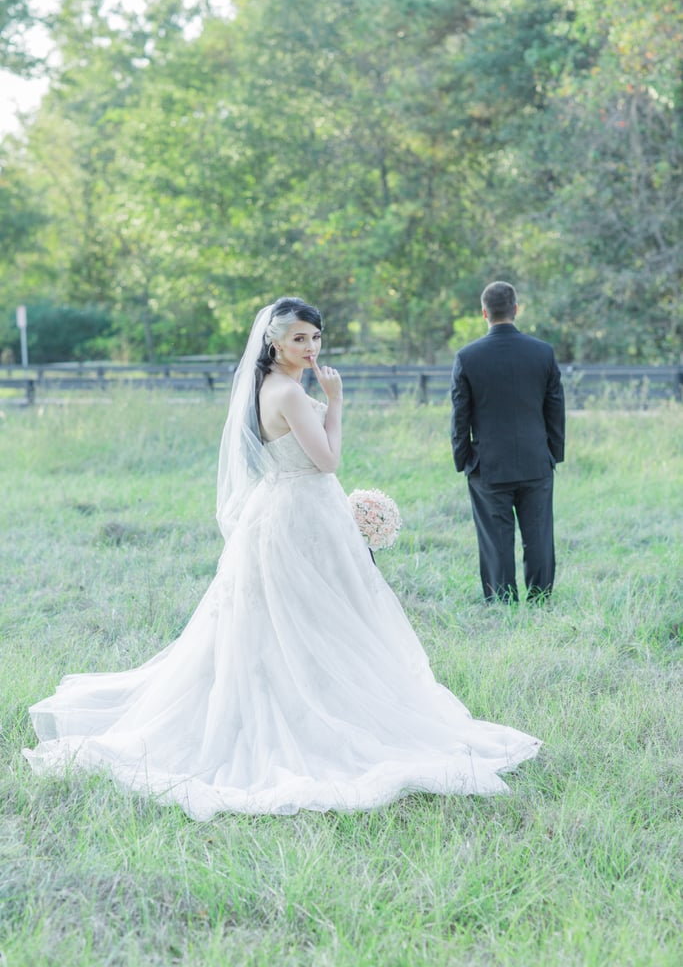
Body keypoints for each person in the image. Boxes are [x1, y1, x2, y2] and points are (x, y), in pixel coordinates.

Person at [24, 297, 541, 819]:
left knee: (291, 624)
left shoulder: (260, 385)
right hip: (302, 514)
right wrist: (335, 401)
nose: (310, 348)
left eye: (315, 338)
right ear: (274, 341)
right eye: (299, 339)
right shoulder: (290, 393)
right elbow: (327, 461)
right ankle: (313, 718)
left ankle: (304, 699)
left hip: (278, 511)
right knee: (314, 620)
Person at [450, 281, 565, 604]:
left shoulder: (467, 357)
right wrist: (553, 454)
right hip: (535, 461)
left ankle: (502, 601)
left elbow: (460, 416)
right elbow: (555, 409)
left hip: (488, 464)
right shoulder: (543, 352)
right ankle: (540, 599)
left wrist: (464, 460)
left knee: (495, 538)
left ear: (484, 313)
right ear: (515, 309)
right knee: (539, 535)